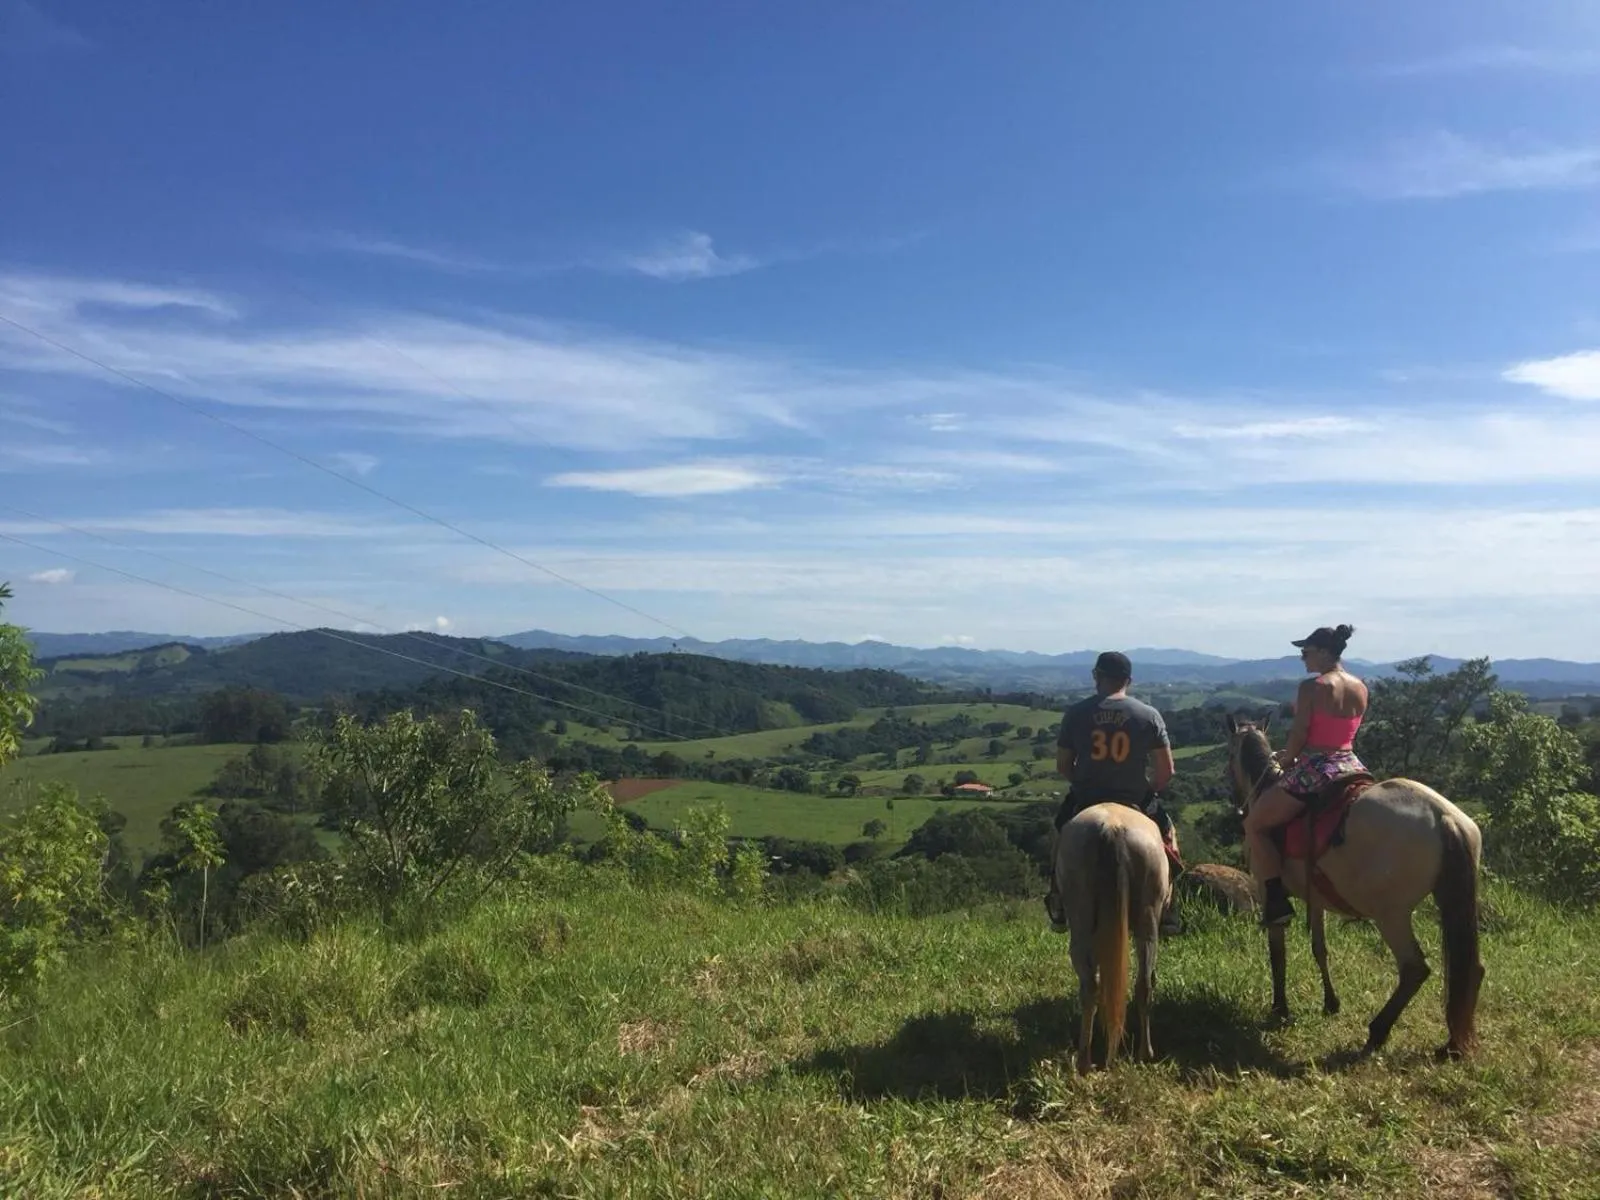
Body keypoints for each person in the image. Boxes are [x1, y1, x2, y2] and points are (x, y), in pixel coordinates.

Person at [1243, 623, 1369, 927]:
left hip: (1317, 768)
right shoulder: (1361, 686)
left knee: (1255, 824)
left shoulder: (1312, 687)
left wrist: (1287, 759)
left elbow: (1300, 733)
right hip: (1352, 765)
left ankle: (1275, 899)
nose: (1302, 657)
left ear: (1324, 652)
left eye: (1306, 651)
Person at [1046, 651, 1179, 932]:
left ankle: (1057, 898)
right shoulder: (1149, 715)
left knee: (1061, 832)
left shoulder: (1076, 713)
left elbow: (1062, 765)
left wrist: (1083, 782)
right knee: (1168, 836)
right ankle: (1168, 906)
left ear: (1097, 677)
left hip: (1086, 797)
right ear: (1128, 680)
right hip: (1134, 798)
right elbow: (1166, 771)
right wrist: (1147, 791)